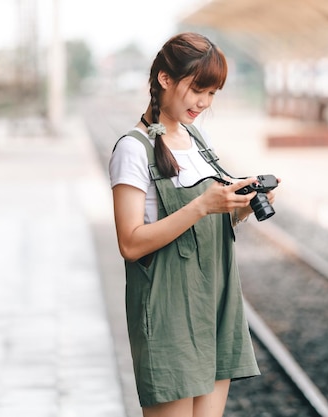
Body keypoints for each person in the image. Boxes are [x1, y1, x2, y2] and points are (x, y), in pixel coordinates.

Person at [108, 32, 276, 417]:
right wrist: (202, 205)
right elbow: (130, 244)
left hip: (214, 299)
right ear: (165, 79)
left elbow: (205, 222)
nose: (204, 102)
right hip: (168, 310)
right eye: (198, 89)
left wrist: (242, 205)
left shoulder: (196, 138)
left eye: (213, 93)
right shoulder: (133, 149)